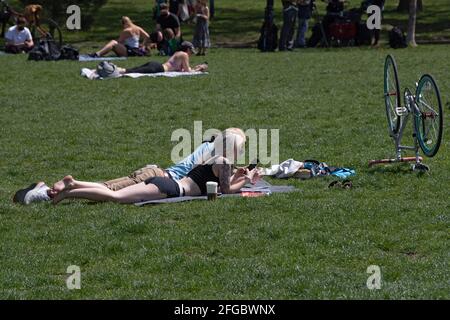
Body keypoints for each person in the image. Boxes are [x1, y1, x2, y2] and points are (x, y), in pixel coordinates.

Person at [14, 129, 246, 204]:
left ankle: (69, 187)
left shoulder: (210, 156)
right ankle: (65, 191)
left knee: (110, 191)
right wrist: (246, 179)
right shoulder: (223, 161)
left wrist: (240, 176)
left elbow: (220, 182)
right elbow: (225, 190)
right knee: (113, 196)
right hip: (169, 185)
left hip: (161, 178)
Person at [117, 41, 207, 74]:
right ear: (187, 49)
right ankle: (116, 70)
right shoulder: (184, 55)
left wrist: (196, 68)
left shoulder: (178, 53)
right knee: (131, 72)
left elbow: (183, 69)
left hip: (156, 65)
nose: (191, 54)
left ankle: (117, 69)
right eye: (191, 51)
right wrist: (198, 70)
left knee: (133, 70)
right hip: (158, 68)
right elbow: (187, 71)